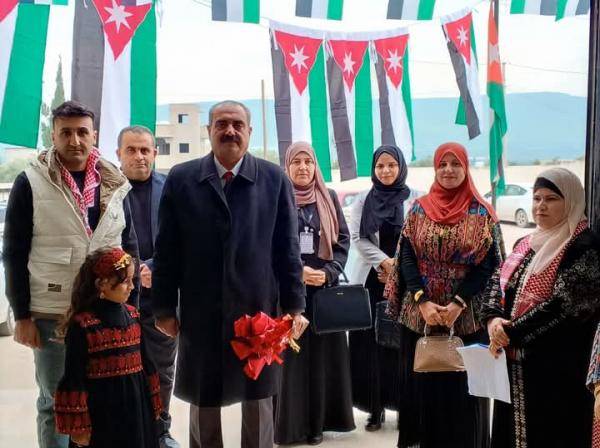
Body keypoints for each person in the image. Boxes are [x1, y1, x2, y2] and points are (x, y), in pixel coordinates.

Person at [151, 100, 307, 448]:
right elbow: (167, 251)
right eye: (221, 124)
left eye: (238, 124)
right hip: (200, 310)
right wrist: (163, 308)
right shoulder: (182, 178)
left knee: (258, 399)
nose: (230, 131)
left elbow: (288, 249)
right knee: (204, 399)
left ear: (249, 131)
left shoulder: (273, 179)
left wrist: (294, 306)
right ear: (209, 131)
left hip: (258, 311)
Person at [2, 101, 138, 448]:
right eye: (66, 132)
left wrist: (130, 304)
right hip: (52, 313)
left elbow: (128, 245)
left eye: (82, 132)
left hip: (104, 311)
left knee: (102, 399)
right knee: (56, 402)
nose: (75, 140)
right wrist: (23, 316)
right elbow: (14, 253)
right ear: (53, 136)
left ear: (94, 135)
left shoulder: (114, 182)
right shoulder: (30, 182)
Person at [386, 142, 504, 448]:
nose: (448, 170)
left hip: (466, 319)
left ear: (466, 168)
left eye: (455, 164)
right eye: (442, 164)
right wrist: (422, 301)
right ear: (435, 168)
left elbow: (489, 265)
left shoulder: (482, 213)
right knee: (421, 391)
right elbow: (407, 257)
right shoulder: (419, 208)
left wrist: (457, 303)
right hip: (420, 317)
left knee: (463, 395)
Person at [482, 168, 600, 448]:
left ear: (571, 201)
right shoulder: (526, 243)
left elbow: (566, 306)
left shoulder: (584, 247)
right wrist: (493, 320)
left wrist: (511, 332)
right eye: (536, 198)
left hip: (557, 370)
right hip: (514, 365)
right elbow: (497, 283)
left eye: (551, 199)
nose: (540, 206)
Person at [274, 142, 355, 446]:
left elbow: (343, 239)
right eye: (297, 162)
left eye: (308, 161)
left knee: (322, 360)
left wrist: (330, 271)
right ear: (287, 166)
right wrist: (297, 271)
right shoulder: (278, 197)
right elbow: (270, 243)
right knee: (290, 360)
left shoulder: (328, 196)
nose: (303, 167)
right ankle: (290, 427)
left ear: (316, 166)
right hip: (288, 292)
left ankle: (318, 425)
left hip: (323, 292)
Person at [54, 247, 161, 448]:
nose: (132, 286)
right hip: (102, 416)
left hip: (136, 411)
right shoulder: (83, 325)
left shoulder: (133, 316)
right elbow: (74, 377)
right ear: (102, 284)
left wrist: (153, 404)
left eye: (132, 280)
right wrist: (79, 427)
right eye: (125, 281)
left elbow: (148, 363)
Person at [116, 125, 178, 448]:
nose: (139, 156)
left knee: (161, 370)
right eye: (131, 150)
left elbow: (184, 239)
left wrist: (155, 267)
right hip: (117, 301)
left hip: (159, 299)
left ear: (155, 153)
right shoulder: (107, 190)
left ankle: (160, 431)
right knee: (119, 372)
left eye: (145, 150)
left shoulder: (171, 189)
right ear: (119, 154)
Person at [347, 145, 410, 431]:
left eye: (391, 165)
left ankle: (403, 408)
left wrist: (398, 268)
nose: (385, 171)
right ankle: (374, 408)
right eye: (380, 166)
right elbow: (357, 238)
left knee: (399, 346)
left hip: (404, 283)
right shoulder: (364, 199)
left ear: (400, 167)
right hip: (371, 281)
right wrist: (384, 263)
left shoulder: (413, 199)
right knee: (369, 347)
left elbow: (417, 239)